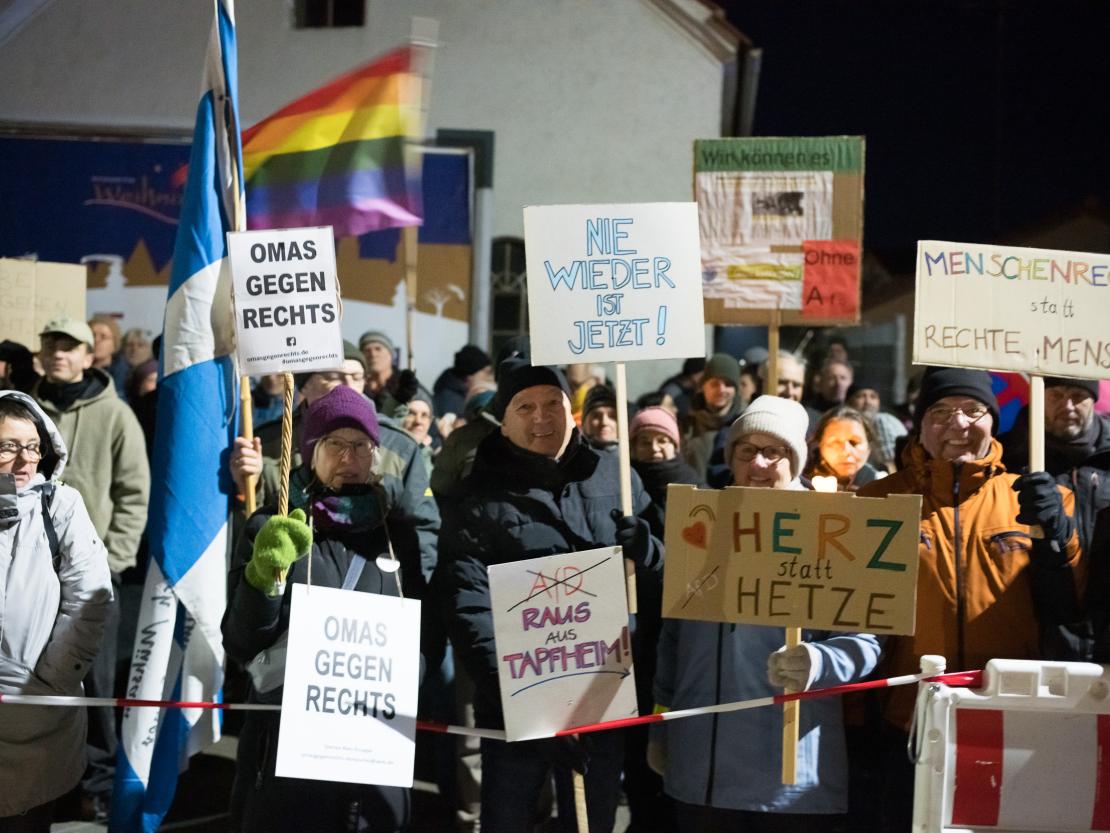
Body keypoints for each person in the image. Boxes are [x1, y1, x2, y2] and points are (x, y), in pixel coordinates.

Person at [436, 358, 663, 833]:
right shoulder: (479, 493)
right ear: (505, 418)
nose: (541, 417)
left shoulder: (615, 477)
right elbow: (467, 605)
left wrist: (649, 549)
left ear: (571, 411)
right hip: (516, 711)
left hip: (604, 698)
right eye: (525, 406)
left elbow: (672, 574)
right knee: (509, 819)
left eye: (552, 403)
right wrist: (528, 704)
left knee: (592, 823)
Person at [857, 366, 1081, 832]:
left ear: (993, 420)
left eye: (972, 410)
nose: (957, 424)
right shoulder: (875, 501)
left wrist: (1060, 536)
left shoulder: (1041, 499)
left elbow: (1073, 599)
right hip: (907, 721)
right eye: (939, 412)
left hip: (1008, 719)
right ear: (919, 425)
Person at [652, 395, 881, 832]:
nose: (758, 462)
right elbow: (673, 639)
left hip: (788, 778)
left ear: (794, 460)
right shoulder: (702, 525)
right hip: (702, 769)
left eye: (773, 451)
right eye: (746, 450)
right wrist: (662, 725)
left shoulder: (833, 527)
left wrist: (820, 661)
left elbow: (868, 640)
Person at [223, 386, 410, 833]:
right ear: (309, 451)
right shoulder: (275, 526)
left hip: (374, 748)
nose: (349, 457)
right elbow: (242, 641)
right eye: (335, 444)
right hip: (290, 750)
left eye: (361, 445)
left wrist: (404, 675)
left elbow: (424, 636)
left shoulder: (398, 535)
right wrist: (264, 577)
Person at [30, 317, 150, 816]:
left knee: (96, 683)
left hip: (93, 579)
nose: (60, 352)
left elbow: (134, 492)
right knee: (27, 678)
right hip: (25, 578)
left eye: (70, 346)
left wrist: (113, 561)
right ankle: (37, 783)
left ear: (88, 356)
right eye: (52, 344)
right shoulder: (20, 412)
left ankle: (96, 788)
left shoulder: (115, 414)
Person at [231, 344, 439, 601]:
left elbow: (423, 530)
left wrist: (416, 597)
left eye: (356, 377)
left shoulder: (399, 445)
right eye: (335, 377)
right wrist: (249, 486)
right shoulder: (270, 440)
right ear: (304, 386)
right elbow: (253, 527)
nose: (347, 386)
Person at [0, 391, 113, 831]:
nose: (24, 460)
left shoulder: (59, 505)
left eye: (32, 446)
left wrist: (53, 680)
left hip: (38, 709)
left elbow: (90, 598)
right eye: (8, 446)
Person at [625, 406, 703, 833]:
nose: (653, 450)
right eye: (643, 441)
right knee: (637, 749)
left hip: (679, 635)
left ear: (676, 444)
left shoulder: (698, 493)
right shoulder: (619, 491)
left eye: (662, 440)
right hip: (632, 638)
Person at [681, 352, 742, 480]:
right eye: (715, 384)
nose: (721, 390)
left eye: (728, 384)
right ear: (703, 386)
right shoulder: (686, 425)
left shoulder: (743, 424)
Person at [805, 406, 883, 490]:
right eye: (835, 443)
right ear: (820, 444)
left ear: (869, 447)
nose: (846, 451)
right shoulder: (801, 483)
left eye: (854, 442)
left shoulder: (880, 483)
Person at [846, 379, 907, 472]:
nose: (868, 402)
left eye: (873, 397)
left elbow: (891, 466)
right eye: (860, 396)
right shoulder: (847, 426)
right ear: (849, 402)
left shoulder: (881, 421)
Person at [433, 345, 492, 418]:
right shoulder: (451, 402)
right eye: (487, 372)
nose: (490, 378)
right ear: (471, 374)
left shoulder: (455, 394)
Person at [87, 314, 128, 397]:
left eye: (103, 337)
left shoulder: (126, 376)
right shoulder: (77, 371)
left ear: (114, 344)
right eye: (92, 335)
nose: (96, 340)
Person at [581, 383, 619, 448]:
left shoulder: (630, 455)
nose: (604, 422)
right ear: (584, 423)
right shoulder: (570, 455)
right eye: (596, 416)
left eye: (612, 416)